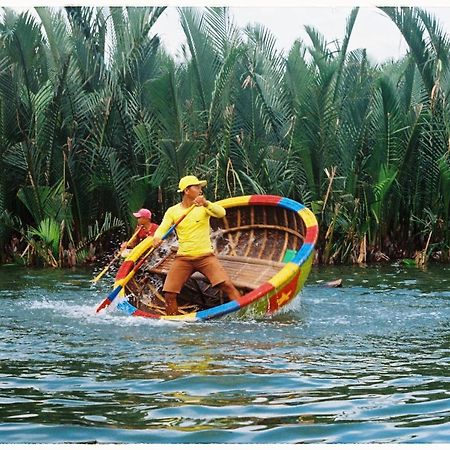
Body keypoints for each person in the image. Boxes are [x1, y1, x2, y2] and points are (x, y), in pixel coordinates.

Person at [152, 175, 241, 315]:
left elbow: (221, 213)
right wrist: (157, 237)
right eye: (197, 187)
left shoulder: (204, 206)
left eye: (200, 187)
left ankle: (241, 313)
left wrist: (206, 203)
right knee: (169, 294)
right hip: (183, 258)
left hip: (205, 256)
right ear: (187, 191)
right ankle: (173, 324)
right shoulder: (173, 211)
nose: (200, 190)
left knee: (227, 285)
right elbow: (163, 227)